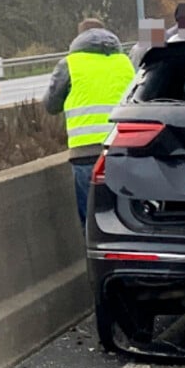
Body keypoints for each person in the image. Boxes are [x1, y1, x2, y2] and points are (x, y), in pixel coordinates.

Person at [42, 19, 136, 225]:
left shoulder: (70, 64)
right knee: (129, 216)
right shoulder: (125, 62)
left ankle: (95, 255)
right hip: (124, 150)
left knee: (93, 219)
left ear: (78, 38)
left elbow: (51, 105)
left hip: (86, 154)